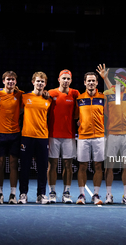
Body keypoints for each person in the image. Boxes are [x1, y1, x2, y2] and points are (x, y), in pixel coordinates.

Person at [98, 66, 126, 205]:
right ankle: (109, 194)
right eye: (118, 77)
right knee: (109, 166)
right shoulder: (108, 93)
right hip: (112, 134)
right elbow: (104, 111)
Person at [18, 71, 52, 204]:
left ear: (45, 84)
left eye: (42, 82)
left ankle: (41, 194)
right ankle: (23, 194)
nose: (40, 83)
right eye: (38, 81)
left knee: (42, 167)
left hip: (42, 137)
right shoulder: (24, 97)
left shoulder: (48, 99)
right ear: (33, 82)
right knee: (24, 167)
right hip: (26, 136)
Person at [47, 69, 80, 203]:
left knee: (68, 165)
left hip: (69, 135)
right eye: (63, 78)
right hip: (53, 134)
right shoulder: (51, 93)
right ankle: (52, 192)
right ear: (59, 80)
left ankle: (66, 193)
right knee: (52, 164)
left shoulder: (75, 93)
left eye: (68, 79)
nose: (66, 81)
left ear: (71, 81)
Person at [0, 71, 23, 204]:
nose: (10, 82)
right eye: (8, 79)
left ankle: (13, 195)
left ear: (16, 82)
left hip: (15, 134)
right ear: (3, 81)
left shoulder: (20, 94)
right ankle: (0, 194)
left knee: (14, 165)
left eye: (13, 80)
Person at [75, 72, 105, 205]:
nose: (91, 83)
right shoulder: (79, 99)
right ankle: (82, 195)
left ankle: (96, 195)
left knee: (98, 166)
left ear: (97, 83)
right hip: (83, 137)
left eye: (93, 81)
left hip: (99, 136)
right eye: (89, 81)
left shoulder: (103, 98)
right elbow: (76, 117)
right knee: (82, 166)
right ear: (84, 83)